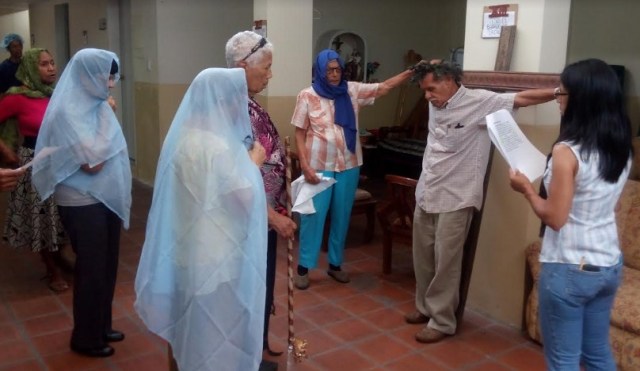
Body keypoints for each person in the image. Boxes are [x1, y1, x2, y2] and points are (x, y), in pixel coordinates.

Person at [404, 60, 556, 343]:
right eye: (424, 91)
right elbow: (433, 71)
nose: (427, 96)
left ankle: (442, 320)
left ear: (449, 80)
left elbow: (522, 97)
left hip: (456, 196)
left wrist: (559, 91)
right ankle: (424, 308)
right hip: (427, 191)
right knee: (423, 257)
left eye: (431, 89)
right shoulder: (435, 102)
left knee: (446, 264)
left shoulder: (481, 101)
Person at [134, 68, 268, 371]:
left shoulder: (183, 137)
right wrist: (253, 164)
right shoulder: (218, 147)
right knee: (215, 331)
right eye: (238, 99)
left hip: (186, 248)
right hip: (216, 255)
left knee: (188, 324)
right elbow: (243, 200)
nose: (240, 107)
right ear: (223, 102)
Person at [509, 59, 633, 370]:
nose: (557, 100)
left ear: (580, 99)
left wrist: (526, 189)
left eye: (561, 93)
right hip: (608, 263)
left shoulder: (568, 152)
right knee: (597, 354)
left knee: (563, 359)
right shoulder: (621, 147)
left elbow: (554, 218)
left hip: (570, 266)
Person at [31, 48, 132, 358]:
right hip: (81, 200)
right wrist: (107, 118)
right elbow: (92, 162)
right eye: (107, 77)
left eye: (114, 76)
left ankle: (101, 325)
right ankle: (85, 337)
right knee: (91, 269)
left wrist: (105, 114)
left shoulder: (98, 104)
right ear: (89, 75)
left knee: (107, 265)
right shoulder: (68, 111)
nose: (112, 84)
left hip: (105, 198)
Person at [291, 48, 413, 290]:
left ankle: (335, 265)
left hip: (349, 164)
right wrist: (304, 164)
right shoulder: (307, 95)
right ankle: (304, 267)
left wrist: (410, 72)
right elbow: (299, 131)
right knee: (313, 216)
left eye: (337, 69)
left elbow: (384, 87)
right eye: (329, 70)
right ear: (319, 71)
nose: (334, 74)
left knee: (341, 215)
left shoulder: (351, 90)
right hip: (318, 166)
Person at [225, 30, 297, 361]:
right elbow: (233, 179)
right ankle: (246, 353)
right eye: (265, 68)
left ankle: (260, 342)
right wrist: (273, 217)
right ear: (242, 67)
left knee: (263, 282)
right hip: (248, 220)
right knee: (248, 286)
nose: (270, 74)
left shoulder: (249, 103)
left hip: (265, 217)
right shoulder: (230, 109)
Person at [0, 47, 69, 293]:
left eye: (52, 62)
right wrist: (8, 153)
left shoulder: (58, 94)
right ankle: (51, 268)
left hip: (62, 160)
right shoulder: (17, 96)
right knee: (42, 217)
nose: (51, 68)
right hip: (35, 161)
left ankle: (59, 255)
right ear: (30, 67)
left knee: (61, 215)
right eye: (44, 64)